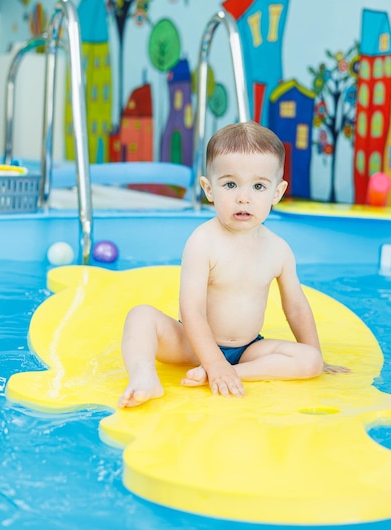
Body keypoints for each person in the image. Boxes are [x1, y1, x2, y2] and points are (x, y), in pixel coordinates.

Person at [119, 121, 348, 408]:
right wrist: (212, 359)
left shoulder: (278, 250)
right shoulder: (203, 242)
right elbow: (191, 310)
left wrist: (316, 355)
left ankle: (232, 373)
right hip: (192, 345)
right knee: (140, 317)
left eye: (258, 186)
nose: (244, 197)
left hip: (248, 350)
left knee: (310, 360)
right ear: (209, 189)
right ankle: (143, 377)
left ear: (276, 193)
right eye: (230, 184)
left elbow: (296, 306)